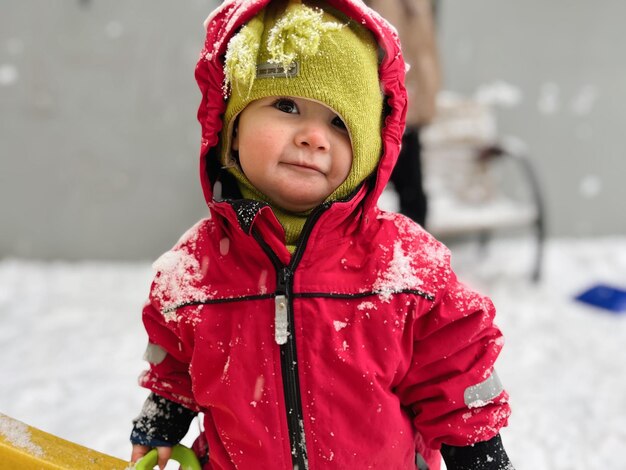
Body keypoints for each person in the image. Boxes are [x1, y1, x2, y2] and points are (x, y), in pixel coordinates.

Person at [129, 1, 514, 469]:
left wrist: (478, 453)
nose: (314, 137)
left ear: (370, 149)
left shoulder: (404, 265)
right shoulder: (195, 269)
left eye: (339, 122)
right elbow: (175, 358)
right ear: (230, 129)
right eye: (286, 106)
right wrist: (163, 414)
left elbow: (453, 368)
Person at [364, 0, 441, 227]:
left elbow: (425, 51)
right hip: (378, 110)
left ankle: (408, 258)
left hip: (409, 109)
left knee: (414, 199)